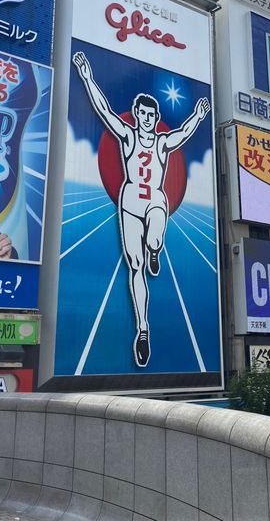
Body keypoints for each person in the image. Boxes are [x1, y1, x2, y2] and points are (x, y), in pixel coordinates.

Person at [73, 51, 210, 367]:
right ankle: (143, 329)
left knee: (155, 231)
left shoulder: (161, 143)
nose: (147, 119)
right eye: (142, 114)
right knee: (135, 267)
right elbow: (104, 110)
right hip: (131, 200)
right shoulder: (127, 137)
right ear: (136, 115)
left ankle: (155, 248)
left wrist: (199, 116)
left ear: (155, 116)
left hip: (155, 200)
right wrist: (86, 76)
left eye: (152, 114)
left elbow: (184, 134)